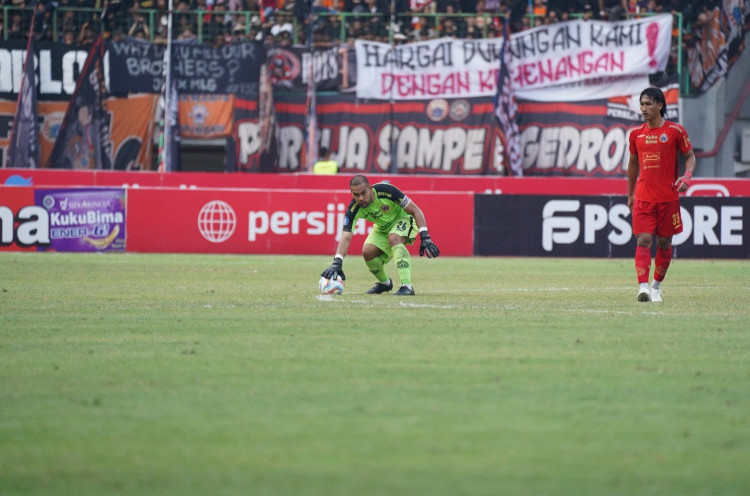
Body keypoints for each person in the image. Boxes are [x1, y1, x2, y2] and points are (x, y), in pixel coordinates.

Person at [627, 87, 695, 302]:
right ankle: (643, 287)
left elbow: (690, 156)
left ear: (660, 105)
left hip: (668, 199)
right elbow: (633, 164)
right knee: (644, 239)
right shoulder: (636, 134)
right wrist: (630, 194)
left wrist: (687, 177)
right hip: (643, 198)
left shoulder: (676, 131)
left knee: (664, 243)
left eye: (648, 104)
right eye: (642, 104)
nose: (644, 108)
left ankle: (656, 286)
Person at [320, 175, 440, 296]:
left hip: (404, 218)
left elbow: (416, 210)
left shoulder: (386, 191)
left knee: (394, 237)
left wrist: (425, 236)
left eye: (363, 193)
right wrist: (337, 262)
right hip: (383, 227)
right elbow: (346, 236)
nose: (360, 198)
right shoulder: (353, 209)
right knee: (367, 252)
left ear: (370, 189)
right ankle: (385, 283)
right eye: (356, 195)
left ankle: (407, 286)